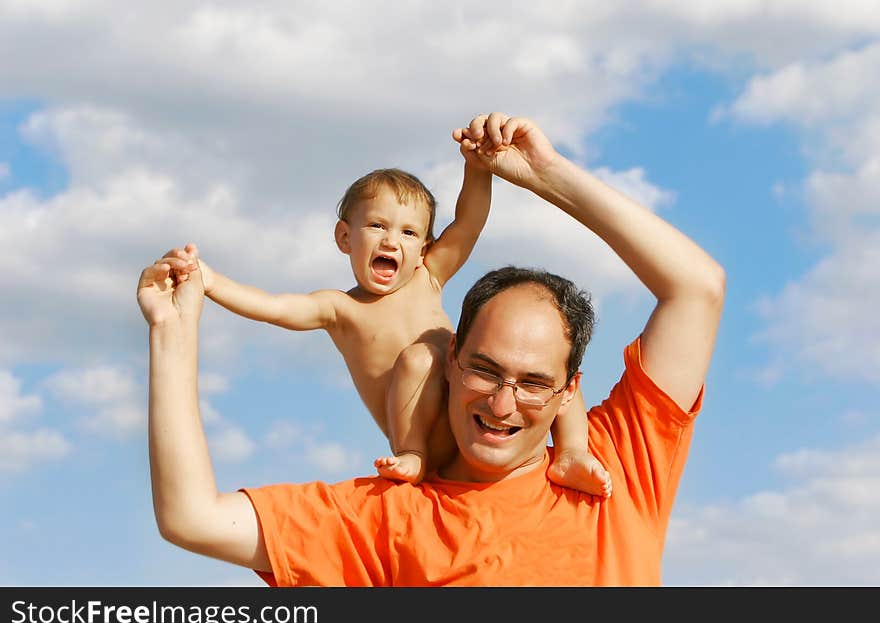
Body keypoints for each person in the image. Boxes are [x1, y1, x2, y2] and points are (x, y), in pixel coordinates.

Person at [137, 111, 725, 585]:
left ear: (569, 389)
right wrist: (174, 328)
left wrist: (546, 174)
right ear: (452, 359)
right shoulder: (388, 519)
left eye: (534, 382)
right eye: (485, 371)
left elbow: (697, 288)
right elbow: (192, 519)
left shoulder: (612, 472)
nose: (502, 404)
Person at [166, 127, 611, 495]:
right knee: (422, 356)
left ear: (424, 248)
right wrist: (211, 281)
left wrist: (477, 169)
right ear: (345, 238)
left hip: (475, 411)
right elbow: (274, 308)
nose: (391, 241)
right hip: (430, 441)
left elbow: (470, 222)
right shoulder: (340, 308)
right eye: (376, 226)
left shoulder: (428, 275)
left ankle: (572, 452)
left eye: (409, 232)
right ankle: (412, 455)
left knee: (546, 367)